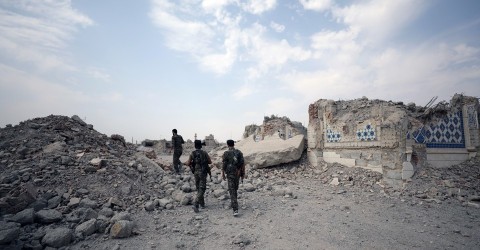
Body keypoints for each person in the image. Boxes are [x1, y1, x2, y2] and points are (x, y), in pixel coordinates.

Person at [185, 140, 212, 212]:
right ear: (201, 146)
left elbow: (188, 163)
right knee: (202, 188)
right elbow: (210, 161)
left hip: (196, 173)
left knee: (198, 188)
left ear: (195, 146)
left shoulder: (192, 153)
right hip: (203, 172)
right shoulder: (204, 153)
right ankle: (196, 203)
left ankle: (202, 204)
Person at [222, 139, 245, 216]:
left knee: (233, 190)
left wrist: (223, 174)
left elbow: (224, 165)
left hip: (230, 174)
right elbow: (242, 164)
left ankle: (234, 204)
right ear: (233, 144)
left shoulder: (226, 153)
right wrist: (242, 174)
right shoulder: (239, 152)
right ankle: (235, 208)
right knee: (234, 189)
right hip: (237, 174)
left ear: (227, 145)